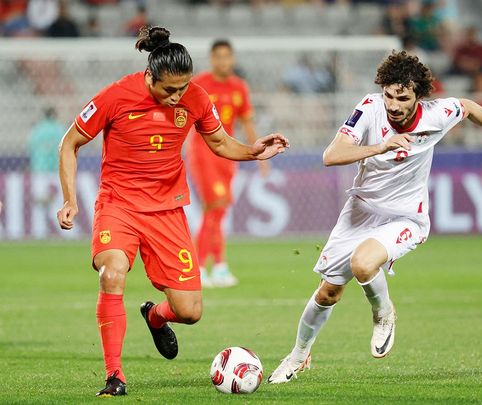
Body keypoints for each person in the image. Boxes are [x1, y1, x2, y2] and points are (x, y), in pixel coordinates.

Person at [267, 51, 482, 384]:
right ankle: (298, 356)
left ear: (420, 96)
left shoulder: (438, 114)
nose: (393, 104)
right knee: (327, 293)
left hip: (406, 217)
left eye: (402, 98)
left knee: (364, 264)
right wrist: (380, 147)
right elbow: (331, 156)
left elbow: (469, 106)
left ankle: (384, 314)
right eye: (389, 95)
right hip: (361, 211)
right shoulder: (370, 109)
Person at [56, 26, 289, 397]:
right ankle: (114, 376)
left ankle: (154, 315)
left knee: (190, 311)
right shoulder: (116, 96)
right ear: (150, 76)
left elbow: (219, 141)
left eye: (183, 88)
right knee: (112, 273)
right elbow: (69, 143)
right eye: (169, 90)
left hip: (167, 211)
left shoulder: (195, 97)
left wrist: (253, 151)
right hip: (119, 206)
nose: (177, 96)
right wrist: (70, 199)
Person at [186, 39, 268, 288]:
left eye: (227, 56)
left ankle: (217, 266)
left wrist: (259, 154)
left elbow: (247, 123)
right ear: (212, 59)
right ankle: (200, 266)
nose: (223, 61)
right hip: (203, 152)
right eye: (218, 57)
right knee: (216, 205)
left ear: (232, 58)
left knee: (217, 211)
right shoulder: (199, 83)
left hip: (227, 155)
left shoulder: (239, 87)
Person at [28, 106, 65, 238]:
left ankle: (39, 231)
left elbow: (30, 147)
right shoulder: (59, 128)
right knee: (62, 200)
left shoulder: (37, 130)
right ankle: (65, 230)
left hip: (39, 168)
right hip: (57, 168)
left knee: (39, 201)